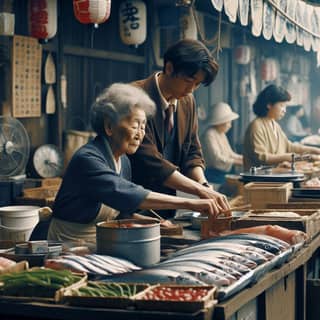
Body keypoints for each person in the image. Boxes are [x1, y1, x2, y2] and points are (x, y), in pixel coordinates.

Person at [47, 83, 225, 243]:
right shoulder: (88, 160)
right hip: (66, 242)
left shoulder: (123, 161)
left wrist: (151, 222)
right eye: (135, 125)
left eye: (143, 126)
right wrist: (191, 203)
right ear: (109, 127)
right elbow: (126, 194)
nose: (140, 134)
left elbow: (121, 211)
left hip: (98, 240)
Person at [129, 39, 230, 218]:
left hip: (168, 206)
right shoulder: (134, 97)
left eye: (197, 84)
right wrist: (199, 191)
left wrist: (204, 185)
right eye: (188, 80)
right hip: (134, 206)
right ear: (169, 68)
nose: (191, 89)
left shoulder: (186, 101)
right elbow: (149, 162)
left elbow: (192, 151)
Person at [243, 84, 320, 171]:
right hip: (259, 180)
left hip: (274, 176)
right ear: (269, 105)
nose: (284, 110)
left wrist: (315, 150)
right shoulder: (256, 126)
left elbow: (289, 146)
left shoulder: (274, 124)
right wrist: (295, 157)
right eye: (281, 105)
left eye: (285, 106)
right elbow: (262, 157)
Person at [201, 102, 243, 190]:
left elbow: (230, 153)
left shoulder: (221, 133)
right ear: (219, 122)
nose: (230, 125)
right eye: (228, 122)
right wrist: (238, 162)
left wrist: (244, 158)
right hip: (212, 175)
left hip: (222, 174)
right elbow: (217, 159)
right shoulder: (209, 134)